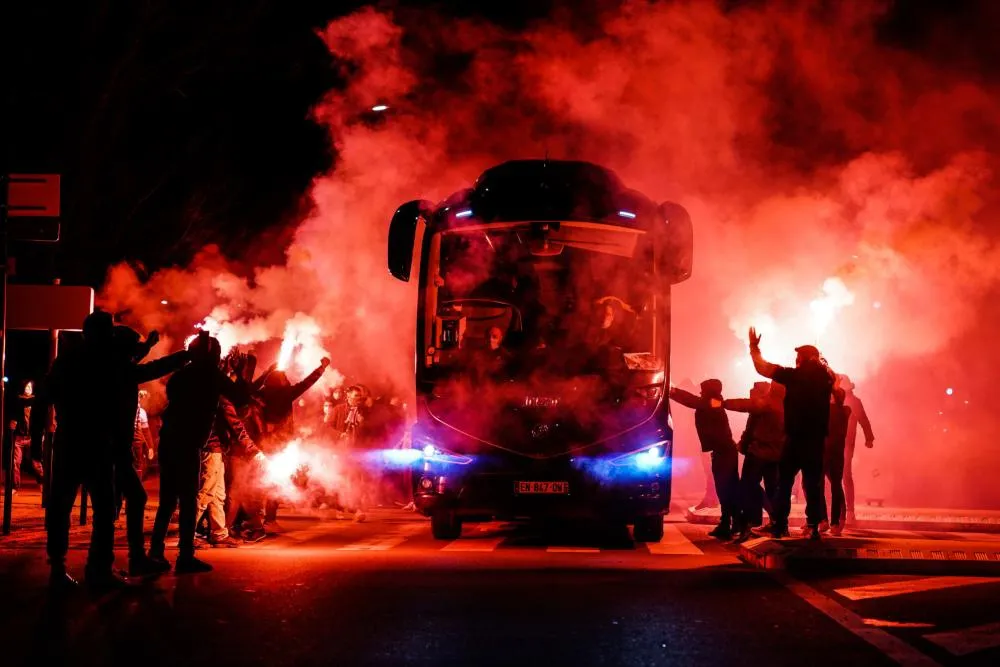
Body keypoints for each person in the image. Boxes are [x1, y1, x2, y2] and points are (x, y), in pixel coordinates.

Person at [149, 333, 248, 574]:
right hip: (188, 443)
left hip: (170, 440)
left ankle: (156, 553)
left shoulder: (182, 375)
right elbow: (242, 398)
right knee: (188, 501)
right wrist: (243, 371)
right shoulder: (211, 375)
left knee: (168, 501)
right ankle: (185, 556)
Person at [43, 310, 124, 590]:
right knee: (104, 508)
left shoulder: (67, 360)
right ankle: (98, 569)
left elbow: (46, 395)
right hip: (96, 442)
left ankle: (57, 568)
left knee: (60, 506)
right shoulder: (106, 361)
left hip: (68, 440)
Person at [111, 324, 190, 577]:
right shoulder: (119, 369)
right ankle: (126, 561)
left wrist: (147, 346)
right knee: (128, 499)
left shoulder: (110, 362)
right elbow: (152, 368)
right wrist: (186, 355)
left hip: (107, 445)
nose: (136, 351)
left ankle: (109, 563)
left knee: (118, 501)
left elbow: (133, 361)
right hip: (111, 447)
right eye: (133, 346)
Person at [748, 328, 835, 540]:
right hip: (816, 439)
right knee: (813, 483)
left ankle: (779, 525)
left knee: (784, 482)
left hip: (796, 438)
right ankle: (813, 525)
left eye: (799, 356)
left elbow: (764, 369)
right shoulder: (826, 379)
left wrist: (754, 348)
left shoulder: (794, 376)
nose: (796, 359)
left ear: (804, 358)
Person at [669, 379, 739, 539]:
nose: (700, 393)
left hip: (725, 452)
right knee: (726, 489)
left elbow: (693, 401)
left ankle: (730, 523)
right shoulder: (711, 402)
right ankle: (730, 523)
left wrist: (672, 391)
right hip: (723, 451)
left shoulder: (713, 403)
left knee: (726, 489)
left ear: (710, 392)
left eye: (703, 390)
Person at [724, 381, 786, 542]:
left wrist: (723, 403)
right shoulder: (787, 405)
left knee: (747, 487)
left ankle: (750, 524)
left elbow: (745, 411)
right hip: (776, 454)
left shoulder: (767, 404)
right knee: (773, 489)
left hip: (759, 453)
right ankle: (779, 525)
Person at [198, 397, 263, 547]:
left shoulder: (214, 391)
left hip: (215, 448)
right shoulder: (220, 395)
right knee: (205, 494)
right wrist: (252, 449)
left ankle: (219, 534)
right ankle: (187, 537)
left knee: (217, 495)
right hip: (210, 447)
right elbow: (235, 424)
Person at [837, 374, 874, 524]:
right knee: (839, 477)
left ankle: (849, 512)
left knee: (844, 475)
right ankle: (842, 512)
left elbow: (864, 420)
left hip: (845, 444)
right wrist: (869, 438)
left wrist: (869, 438)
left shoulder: (853, 402)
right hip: (838, 443)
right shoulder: (838, 400)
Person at [823, 387, 852, 535]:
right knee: (836, 486)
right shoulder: (846, 410)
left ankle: (823, 520)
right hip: (837, 453)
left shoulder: (828, 410)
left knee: (817, 485)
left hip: (825, 452)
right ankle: (837, 521)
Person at [7, 380, 44, 491]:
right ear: (23, 387)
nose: (28, 388)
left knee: (36, 463)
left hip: (32, 437)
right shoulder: (18, 400)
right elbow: (12, 415)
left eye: (30, 386)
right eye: (26, 386)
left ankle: (42, 483)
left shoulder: (36, 401)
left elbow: (40, 419)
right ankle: (15, 486)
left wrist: (41, 434)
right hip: (19, 437)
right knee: (15, 462)